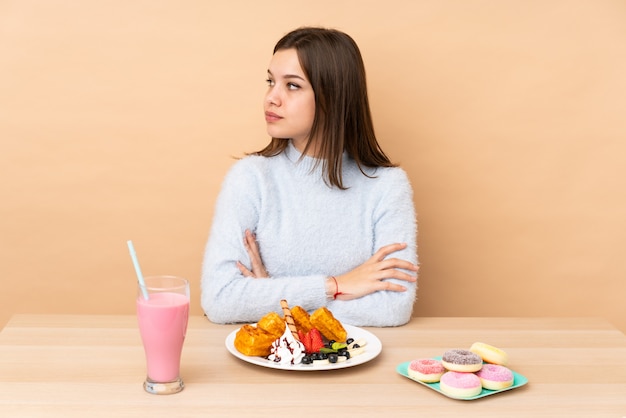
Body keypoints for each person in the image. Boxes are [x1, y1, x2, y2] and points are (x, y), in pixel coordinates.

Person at [201, 27, 418, 327]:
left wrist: (272, 300)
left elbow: (393, 307)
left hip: (354, 367)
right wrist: (335, 286)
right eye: (270, 82)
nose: (271, 98)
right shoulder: (250, 178)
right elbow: (221, 299)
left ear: (332, 97)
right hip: (266, 368)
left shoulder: (387, 186)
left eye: (292, 86)